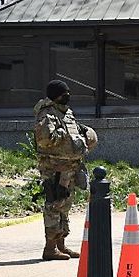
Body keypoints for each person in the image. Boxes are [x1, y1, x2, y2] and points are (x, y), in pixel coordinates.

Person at [33, 80, 97, 260]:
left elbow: (74, 135)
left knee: (65, 205)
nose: (68, 96)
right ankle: (50, 248)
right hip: (54, 167)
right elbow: (45, 141)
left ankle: (61, 244)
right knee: (54, 204)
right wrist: (67, 136)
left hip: (70, 167)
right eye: (64, 93)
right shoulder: (46, 115)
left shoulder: (67, 113)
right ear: (56, 95)